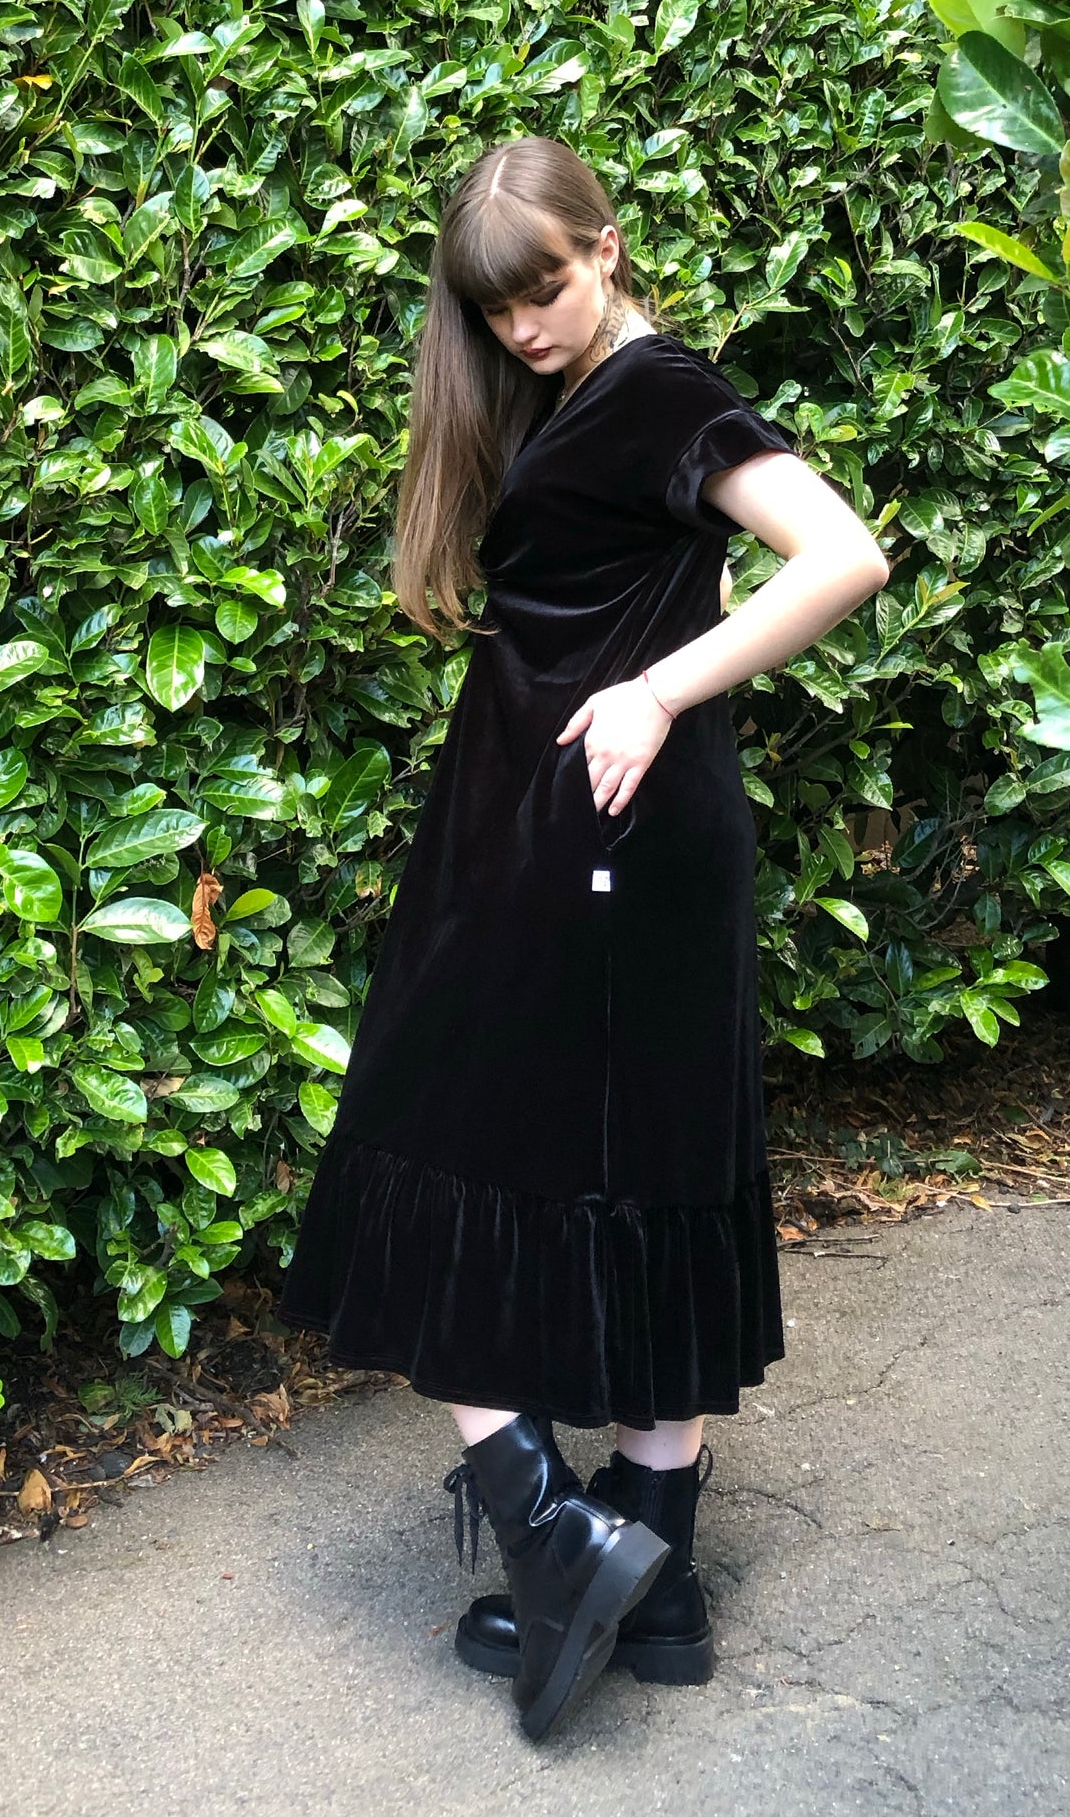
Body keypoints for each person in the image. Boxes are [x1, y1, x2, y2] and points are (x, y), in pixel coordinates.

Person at [276, 135, 889, 1741]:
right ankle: (657, 1580)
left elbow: (842, 555)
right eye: (497, 308)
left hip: (590, 833)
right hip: (574, 833)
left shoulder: (663, 392)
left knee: (416, 1137)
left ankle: (558, 1541)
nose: (527, 325)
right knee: (635, 1160)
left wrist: (658, 683)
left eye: (546, 286)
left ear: (604, 249)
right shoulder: (557, 402)